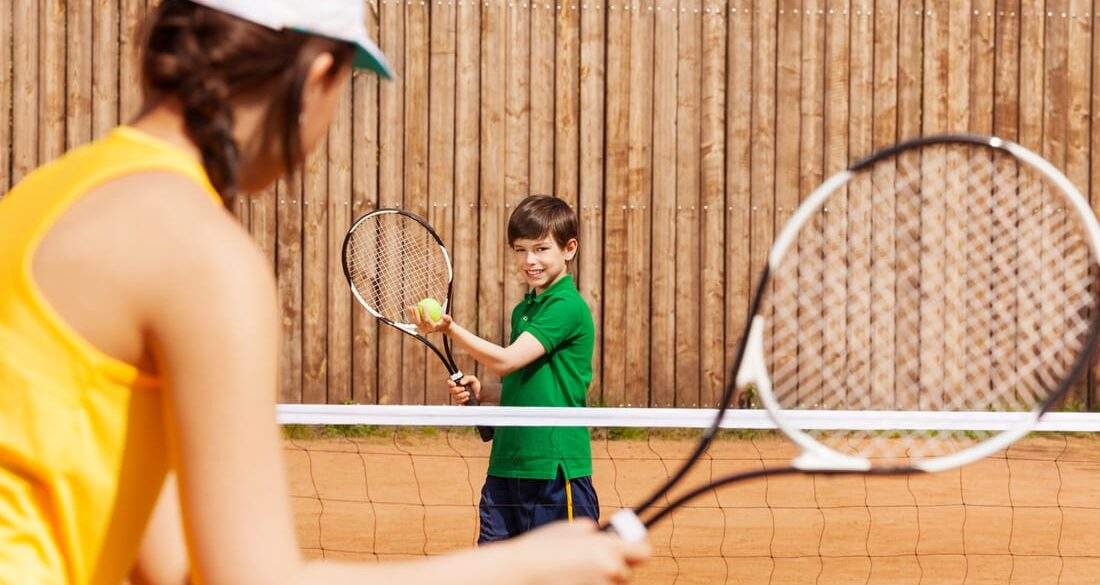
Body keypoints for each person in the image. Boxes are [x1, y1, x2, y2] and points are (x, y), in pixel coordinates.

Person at [0, 1, 647, 583]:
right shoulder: (205, 258)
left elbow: (164, 558)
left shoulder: (45, 195)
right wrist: (523, 566)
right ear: (316, 77)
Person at [410, 195, 599, 543]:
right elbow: (523, 379)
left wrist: (450, 329)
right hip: (507, 466)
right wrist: (485, 392)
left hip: (554, 468)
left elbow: (507, 360)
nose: (530, 260)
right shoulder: (524, 309)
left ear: (569, 249)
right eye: (520, 249)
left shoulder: (567, 306)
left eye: (541, 249)